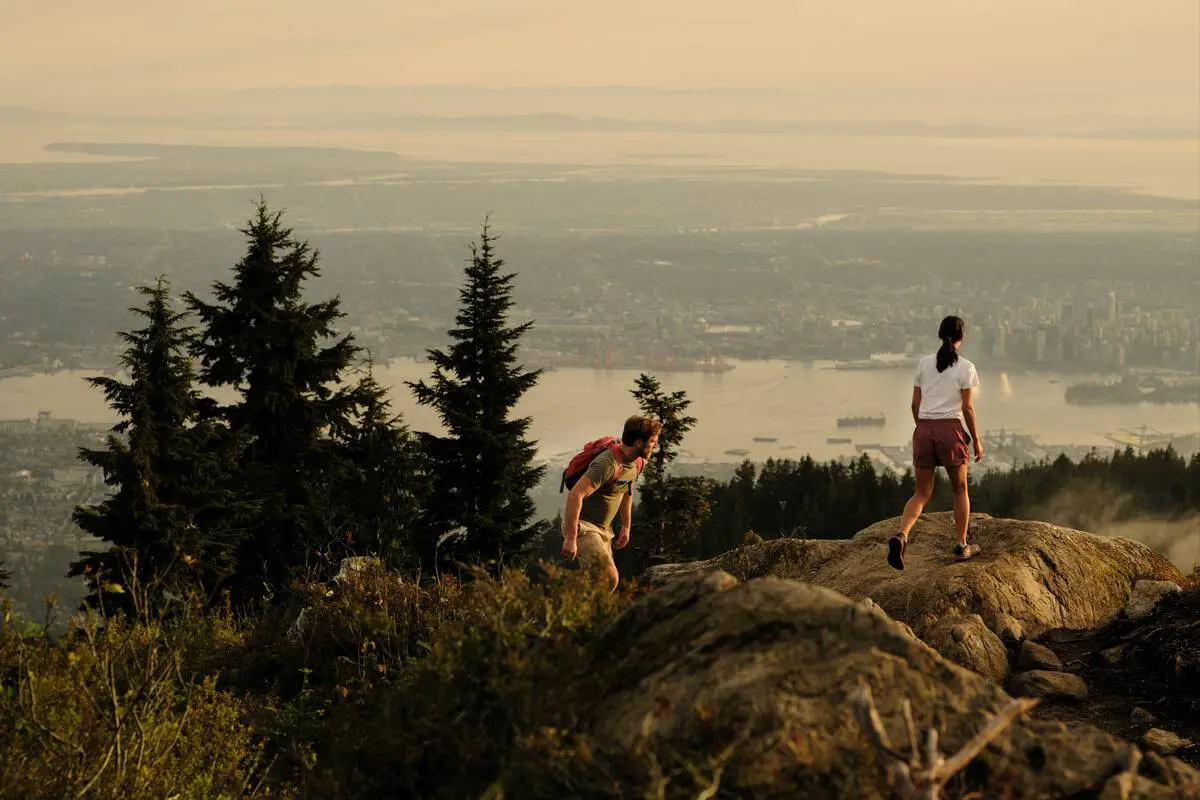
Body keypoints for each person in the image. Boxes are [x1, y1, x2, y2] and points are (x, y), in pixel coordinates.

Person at [888, 315, 984, 569]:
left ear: (940, 335)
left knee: (921, 493)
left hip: (924, 428)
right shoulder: (966, 367)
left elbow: (914, 404)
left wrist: (921, 427)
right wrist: (976, 440)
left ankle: (902, 535)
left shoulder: (923, 364)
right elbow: (967, 409)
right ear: (961, 338)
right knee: (960, 489)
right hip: (949, 431)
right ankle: (962, 545)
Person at [561, 415, 661, 590]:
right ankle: (580, 614)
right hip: (583, 527)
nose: (655, 446)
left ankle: (578, 614)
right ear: (639, 443)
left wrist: (626, 526)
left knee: (599, 584)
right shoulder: (608, 464)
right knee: (609, 578)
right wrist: (571, 538)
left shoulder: (637, 463)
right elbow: (575, 495)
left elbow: (626, 490)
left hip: (603, 530)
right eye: (652, 442)